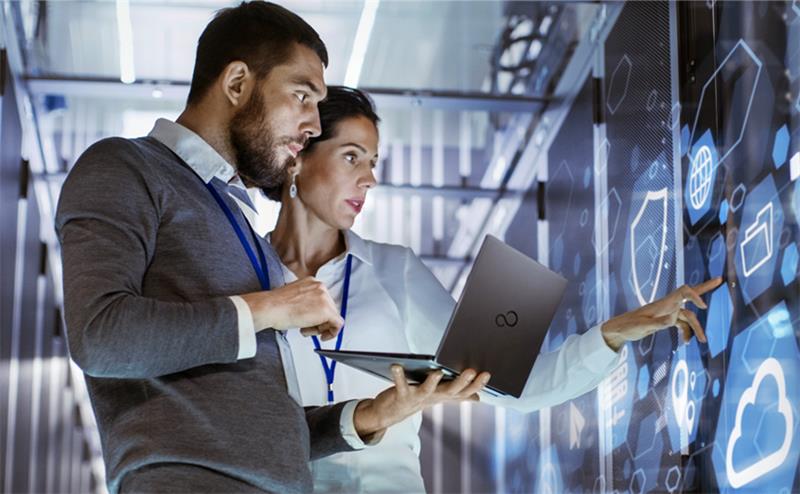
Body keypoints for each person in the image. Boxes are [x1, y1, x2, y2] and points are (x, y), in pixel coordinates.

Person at [55, 3, 490, 493]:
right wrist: (270, 307)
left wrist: (375, 412)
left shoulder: (238, 222)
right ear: (238, 83)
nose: (311, 124)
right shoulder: (125, 166)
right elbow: (100, 336)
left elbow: (265, 429)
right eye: (302, 96)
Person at [264, 86, 723, 492]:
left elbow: (517, 387)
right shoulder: (247, 281)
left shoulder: (393, 269)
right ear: (299, 156)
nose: (369, 178)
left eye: (373, 162)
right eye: (351, 156)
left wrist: (615, 333)